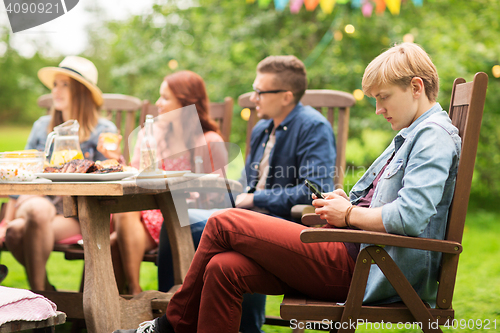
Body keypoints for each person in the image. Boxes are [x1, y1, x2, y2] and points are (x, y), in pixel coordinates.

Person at [114, 42, 461, 333]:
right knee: (223, 269)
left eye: (383, 97)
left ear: (416, 87)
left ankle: (168, 326)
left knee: (223, 221)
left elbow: (412, 216)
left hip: (368, 264)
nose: (377, 108)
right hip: (352, 251)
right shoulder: (412, 132)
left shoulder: (432, 137)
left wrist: (351, 214)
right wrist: (346, 205)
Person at [157, 55, 336, 333]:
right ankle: (168, 314)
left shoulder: (314, 127)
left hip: (284, 224)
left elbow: (315, 190)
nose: (254, 98)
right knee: (178, 218)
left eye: (260, 92)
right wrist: (218, 193)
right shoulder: (262, 128)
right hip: (246, 216)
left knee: (215, 235)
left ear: (286, 96)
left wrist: (256, 199)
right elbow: (243, 185)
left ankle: (241, 326)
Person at [4, 56, 118, 291]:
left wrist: (109, 158)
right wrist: (7, 216)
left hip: (78, 214)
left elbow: (113, 172)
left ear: (82, 92)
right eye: (55, 84)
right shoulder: (41, 126)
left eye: (65, 84)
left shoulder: (103, 130)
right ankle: (43, 295)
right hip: (39, 202)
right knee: (34, 210)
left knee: (16, 232)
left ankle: (41, 294)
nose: (56, 90)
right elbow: (22, 173)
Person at [109, 70, 228, 296]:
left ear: (186, 103)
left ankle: (129, 299)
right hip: (146, 212)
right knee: (124, 217)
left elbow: (219, 193)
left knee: (114, 242)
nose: (158, 103)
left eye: (165, 98)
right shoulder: (149, 135)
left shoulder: (208, 141)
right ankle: (134, 292)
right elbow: (136, 175)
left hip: (179, 216)